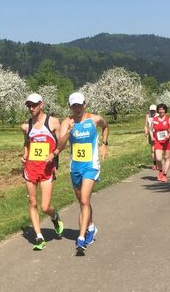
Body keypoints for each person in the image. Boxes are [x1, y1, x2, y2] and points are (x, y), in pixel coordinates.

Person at [57, 92, 109, 255]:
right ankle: (91, 227)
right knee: (82, 202)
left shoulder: (94, 119)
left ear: (85, 104)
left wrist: (104, 144)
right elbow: (60, 145)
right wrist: (68, 131)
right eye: (74, 106)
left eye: (80, 105)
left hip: (91, 166)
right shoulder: (67, 122)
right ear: (70, 107)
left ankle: (81, 239)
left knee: (85, 200)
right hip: (75, 167)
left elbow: (106, 126)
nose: (77, 108)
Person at [21, 93, 64, 250]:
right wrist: (25, 155)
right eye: (29, 106)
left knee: (45, 207)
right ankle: (39, 237)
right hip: (31, 168)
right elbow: (27, 143)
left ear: (41, 105)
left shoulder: (52, 122)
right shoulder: (26, 126)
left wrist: (54, 154)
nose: (31, 108)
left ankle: (55, 217)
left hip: (46, 169)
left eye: (34, 105)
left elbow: (61, 143)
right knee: (33, 203)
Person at [150, 103, 170, 182]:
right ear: (158, 110)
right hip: (158, 141)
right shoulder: (154, 119)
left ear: (165, 110)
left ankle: (164, 175)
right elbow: (150, 129)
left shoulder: (168, 119)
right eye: (160, 109)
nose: (161, 111)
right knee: (158, 158)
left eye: (163, 109)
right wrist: (152, 136)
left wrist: (169, 134)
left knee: (166, 158)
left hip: (167, 141)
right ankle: (160, 170)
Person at [144, 105, 158, 170]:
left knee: (158, 149)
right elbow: (146, 125)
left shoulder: (158, 115)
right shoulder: (147, 116)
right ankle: (154, 164)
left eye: (153, 110)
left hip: (158, 133)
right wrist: (146, 132)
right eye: (151, 110)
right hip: (151, 133)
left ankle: (159, 162)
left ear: (156, 110)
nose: (152, 112)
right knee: (153, 150)